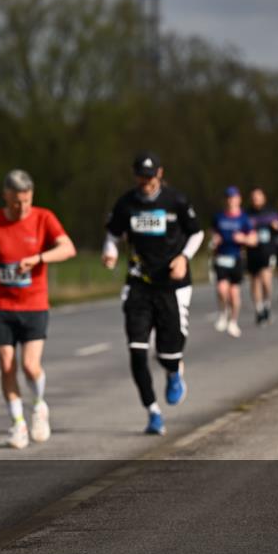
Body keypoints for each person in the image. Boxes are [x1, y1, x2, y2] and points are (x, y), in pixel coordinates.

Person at [0, 170, 75, 448]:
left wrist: (38, 258)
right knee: (7, 365)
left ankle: (39, 406)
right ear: (6, 197)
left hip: (34, 303)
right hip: (2, 305)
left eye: (27, 201)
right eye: (16, 202)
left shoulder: (44, 218)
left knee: (30, 366)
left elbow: (68, 248)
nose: (22, 207)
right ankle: (18, 424)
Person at [102, 151, 204, 436]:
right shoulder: (126, 203)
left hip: (170, 284)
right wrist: (109, 252)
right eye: (141, 177)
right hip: (138, 283)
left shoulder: (176, 201)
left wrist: (183, 258)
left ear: (160, 174)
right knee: (136, 352)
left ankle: (173, 372)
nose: (146, 183)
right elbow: (112, 234)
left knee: (168, 354)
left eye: (150, 177)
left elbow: (197, 233)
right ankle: (153, 413)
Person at [210, 186, 255, 338]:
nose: (231, 201)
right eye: (228, 198)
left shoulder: (244, 218)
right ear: (225, 200)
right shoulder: (219, 217)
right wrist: (214, 240)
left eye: (234, 197)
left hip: (236, 258)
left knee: (234, 294)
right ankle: (223, 313)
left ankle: (233, 321)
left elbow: (254, 239)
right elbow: (213, 234)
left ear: (239, 199)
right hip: (221, 257)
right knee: (222, 289)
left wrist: (243, 238)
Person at [245, 188, 278, 325]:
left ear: (263, 198)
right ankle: (259, 309)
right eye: (253, 197)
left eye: (258, 197)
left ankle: (267, 305)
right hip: (252, 252)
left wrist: (276, 227)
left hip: (268, 251)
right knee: (255, 281)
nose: (256, 199)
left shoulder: (271, 213)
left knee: (266, 280)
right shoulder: (247, 214)